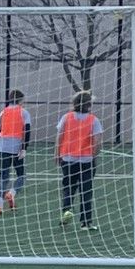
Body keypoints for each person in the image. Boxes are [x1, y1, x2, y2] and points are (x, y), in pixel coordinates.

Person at [55, 90, 102, 230]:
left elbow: (59, 136)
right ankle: (85, 223)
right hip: (86, 160)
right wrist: (93, 155)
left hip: (68, 159)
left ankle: (66, 214)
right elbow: (97, 141)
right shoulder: (93, 120)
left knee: (69, 188)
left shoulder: (66, 117)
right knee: (86, 190)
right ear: (89, 105)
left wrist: (56, 154)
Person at [0, 88, 30, 213]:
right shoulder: (23, 112)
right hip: (16, 148)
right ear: (20, 100)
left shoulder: (2, 112)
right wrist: (24, 148)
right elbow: (27, 130)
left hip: (2, 147)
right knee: (22, 176)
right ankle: (12, 193)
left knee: (3, 177)